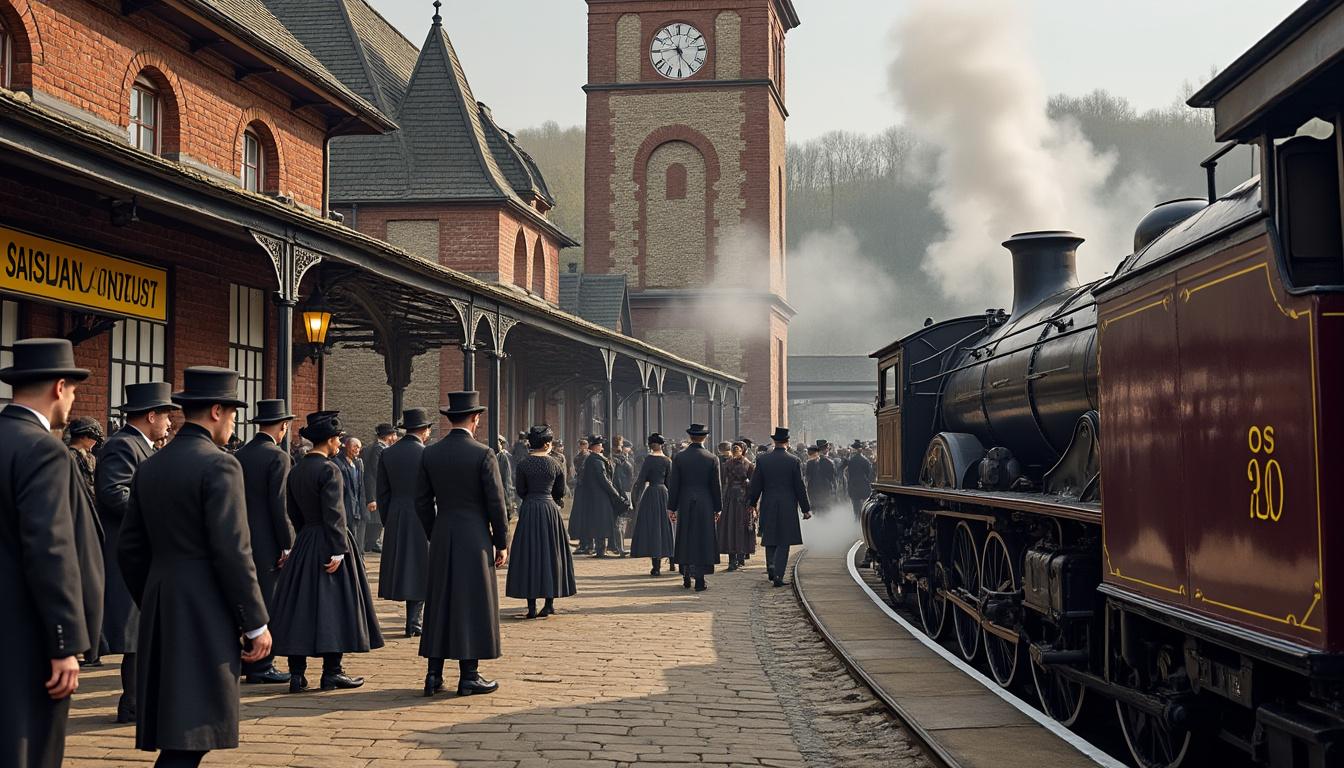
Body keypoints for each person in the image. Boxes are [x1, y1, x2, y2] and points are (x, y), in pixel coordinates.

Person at [118, 367, 271, 768]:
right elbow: (233, 551)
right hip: (205, 606)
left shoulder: (150, 465)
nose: (234, 424)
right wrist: (255, 621)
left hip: (163, 598)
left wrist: (154, 593)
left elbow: (130, 548)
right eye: (234, 414)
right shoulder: (220, 465)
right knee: (196, 726)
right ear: (217, 411)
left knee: (183, 725)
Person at [0, 339, 103, 768]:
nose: (73, 399)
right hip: (29, 633)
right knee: (31, 748)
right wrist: (64, 642)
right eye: (75, 389)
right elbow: (50, 547)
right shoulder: (44, 449)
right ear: (60, 386)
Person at [271, 411, 383, 694]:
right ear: (331, 441)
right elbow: (335, 513)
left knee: (299, 607)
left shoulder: (296, 470)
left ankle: (297, 675)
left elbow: (293, 511)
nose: (339, 444)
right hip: (329, 542)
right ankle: (332, 672)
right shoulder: (329, 469)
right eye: (338, 440)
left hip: (306, 539)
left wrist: (305, 534)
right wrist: (338, 550)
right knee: (335, 607)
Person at [416, 392, 509, 698]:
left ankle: (433, 675)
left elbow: (421, 502)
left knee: (440, 601)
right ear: (475, 419)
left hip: (444, 532)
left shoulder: (430, 453)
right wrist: (501, 542)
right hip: (474, 537)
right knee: (473, 602)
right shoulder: (484, 454)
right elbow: (497, 504)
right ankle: (469, 675)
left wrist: (435, 531)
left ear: (449, 418)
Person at [97, 381, 179, 724]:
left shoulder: (141, 446)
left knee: (141, 632)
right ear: (150, 415)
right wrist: (156, 511)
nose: (170, 423)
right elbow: (113, 493)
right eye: (165, 416)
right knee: (135, 633)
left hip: (141, 550)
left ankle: (140, 699)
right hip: (127, 551)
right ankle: (132, 703)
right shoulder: (123, 446)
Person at [234, 399, 296, 685]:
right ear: (283, 426)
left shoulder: (240, 454)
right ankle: (262, 665)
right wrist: (287, 543)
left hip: (240, 536)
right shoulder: (278, 457)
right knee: (266, 601)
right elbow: (279, 505)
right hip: (268, 539)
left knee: (244, 597)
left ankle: (245, 660)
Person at [505, 425, 576, 619]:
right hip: (549, 509)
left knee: (529, 554)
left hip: (529, 509)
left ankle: (531, 606)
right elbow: (560, 492)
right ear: (546, 444)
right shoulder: (555, 464)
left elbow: (520, 490)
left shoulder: (523, 464)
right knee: (551, 554)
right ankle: (549, 603)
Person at [378, 408, 434, 637]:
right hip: (422, 514)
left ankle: (413, 620)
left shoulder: (388, 454)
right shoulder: (427, 454)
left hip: (397, 513)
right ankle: (415, 621)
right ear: (424, 430)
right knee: (421, 567)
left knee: (404, 567)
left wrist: (388, 518)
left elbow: (382, 493)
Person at [747, 427, 813, 587]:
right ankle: (778, 574)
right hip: (787, 504)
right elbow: (800, 487)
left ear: (774, 441)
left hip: (768, 501)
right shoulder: (793, 460)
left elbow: (756, 485)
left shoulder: (763, 460)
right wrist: (806, 509)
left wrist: (752, 503)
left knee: (770, 536)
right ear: (787, 442)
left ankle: (770, 566)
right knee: (784, 540)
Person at [667, 424, 722, 592]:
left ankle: (685, 573)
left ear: (690, 437)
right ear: (705, 438)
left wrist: (671, 507)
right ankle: (700, 578)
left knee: (685, 536)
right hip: (705, 502)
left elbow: (674, 484)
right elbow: (716, 486)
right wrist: (718, 507)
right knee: (703, 539)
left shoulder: (679, 457)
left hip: (684, 501)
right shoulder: (712, 458)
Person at [570, 435, 631, 557]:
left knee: (601, 521)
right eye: (599, 445)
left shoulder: (595, 459)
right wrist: (615, 493)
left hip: (599, 495)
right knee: (601, 522)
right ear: (595, 447)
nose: (601, 446)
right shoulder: (595, 460)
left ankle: (603, 549)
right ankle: (601, 550)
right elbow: (604, 479)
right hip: (600, 495)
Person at [629, 433, 674, 575]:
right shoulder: (667, 461)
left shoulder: (648, 460)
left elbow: (641, 480)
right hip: (664, 494)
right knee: (667, 527)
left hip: (651, 494)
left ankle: (656, 567)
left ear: (650, 445)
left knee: (654, 528)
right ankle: (672, 562)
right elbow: (670, 482)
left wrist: (635, 499)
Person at [717, 442, 755, 571]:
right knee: (730, 528)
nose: (735, 450)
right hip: (730, 499)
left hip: (743, 500)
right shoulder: (727, 464)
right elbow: (723, 482)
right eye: (734, 449)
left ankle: (741, 556)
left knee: (741, 527)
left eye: (738, 449)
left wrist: (752, 503)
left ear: (743, 450)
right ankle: (732, 559)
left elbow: (753, 486)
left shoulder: (749, 465)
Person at [361, 423, 396, 553]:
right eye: (393, 434)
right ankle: (373, 541)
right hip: (375, 490)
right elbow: (377, 472)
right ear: (388, 436)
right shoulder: (379, 449)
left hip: (375, 489)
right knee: (376, 519)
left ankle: (373, 541)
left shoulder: (377, 447)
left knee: (376, 519)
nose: (395, 437)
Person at [334, 437, 365, 558]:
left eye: (359, 447)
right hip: (346, 507)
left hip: (356, 508)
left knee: (357, 538)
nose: (358, 449)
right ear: (346, 446)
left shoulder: (357, 464)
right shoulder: (338, 463)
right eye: (355, 446)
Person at [66, 416, 103, 497]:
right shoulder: (70, 457)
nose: (96, 442)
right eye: (95, 437)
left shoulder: (89, 457)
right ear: (86, 436)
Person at [610, 436, 634, 556]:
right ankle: (619, 548)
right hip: (620, 491)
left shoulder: (621, 459)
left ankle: (617, 546)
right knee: (619, 521)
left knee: (619, 521)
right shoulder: (617, 460)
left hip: (621, 490)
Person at [843, 439, 875, 520]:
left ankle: (857, 522)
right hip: (864, 486)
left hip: (853, 486)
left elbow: (848, 473)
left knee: (856, 508)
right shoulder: (865, 460)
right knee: (865, 508)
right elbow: (869, 474)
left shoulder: (850, 461)